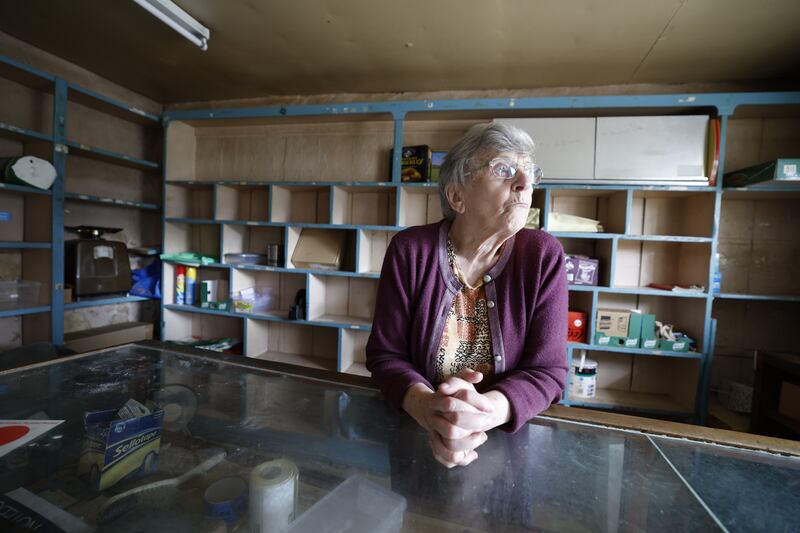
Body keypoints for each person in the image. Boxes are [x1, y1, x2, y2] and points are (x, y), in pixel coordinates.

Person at [366, 121, 568, 468]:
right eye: (504, 169)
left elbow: (549, 372)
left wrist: (488, 411)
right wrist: (427, 407)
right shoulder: (410, 249)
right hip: (417, 433)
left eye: (530, 172)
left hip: (506, 441)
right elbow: (386, 356)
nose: (525, 183)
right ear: (457, 196)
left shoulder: (543, 255)